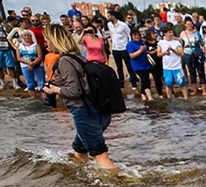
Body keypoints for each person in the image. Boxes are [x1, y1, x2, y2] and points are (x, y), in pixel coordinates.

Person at [42, 24, 116, 171]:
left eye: (46, 41)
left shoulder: (64, 60)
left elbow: (73, 91)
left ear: (55, 40)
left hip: (84, 112)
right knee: (79, 151)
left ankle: (119, 183)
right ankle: (81, 181)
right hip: (98, 110)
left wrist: (53, 90)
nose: (45, 45)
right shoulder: (78, 57)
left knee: (99, 155)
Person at [106, 11, 135, 89]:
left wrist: (129, 47)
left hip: (124, 48)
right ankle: (121, 83)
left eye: (109, 15)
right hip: (115, 48)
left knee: (129, 66)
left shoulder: (123, 25)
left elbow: (129, 35)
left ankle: (133, 82)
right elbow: (112, 34)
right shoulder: (109, 25)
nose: (107, 17)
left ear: (113, 16)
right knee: (119, 67)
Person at [157, 25, 188, 99]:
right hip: (167, 67)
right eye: (169, 32)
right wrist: (165, 53)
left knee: (181, 83)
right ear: (165, 33)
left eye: (172, 32)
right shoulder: (161, 43)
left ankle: (186, 98)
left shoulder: (177, 42)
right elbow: (158, 54)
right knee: (168, 83)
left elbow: (181, 53)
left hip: (177, 66)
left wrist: (173, 50)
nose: (171, 34)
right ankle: (169, 98)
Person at [126, 28, 154, 101]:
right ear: (131, 36)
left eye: (138, 35)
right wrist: (141, 50)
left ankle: (143, 95)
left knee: (146, 80)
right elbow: (132, 55)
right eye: (134, 35)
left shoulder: (142, 42)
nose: (136, 37)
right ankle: (149, 96)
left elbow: (147, 51)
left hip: (146, 64)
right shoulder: (130, 44)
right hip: (137, 65)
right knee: (145, 80)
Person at [14, 29, 45, 97]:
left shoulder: (36, 45)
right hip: (25, 65)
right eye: (25, 36)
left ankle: (45, 98)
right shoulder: (19, 46)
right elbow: (18, 58)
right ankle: (33, 98)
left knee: (41, 83)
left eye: (28, 36)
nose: (27, 37)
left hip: (37, 65)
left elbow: (40, 57)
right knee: (30, 83)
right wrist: (29, 63)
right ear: (22, 37)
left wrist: (33, 63)